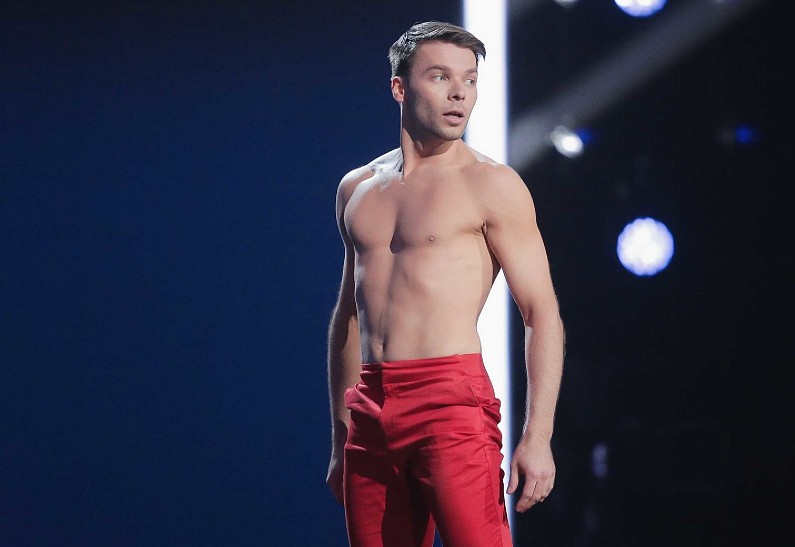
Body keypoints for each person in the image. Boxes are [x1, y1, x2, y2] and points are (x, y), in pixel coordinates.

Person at [326, 20, 565, 547]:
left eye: (470, 79)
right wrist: (342, 435)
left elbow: (541, 312)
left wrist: (538, 436)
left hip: (450, 401)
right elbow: (349, 314)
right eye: (440, 77)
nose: (460, 92)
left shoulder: (491, 185)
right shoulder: (357, 188)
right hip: (371, 404)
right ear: (400, 87)